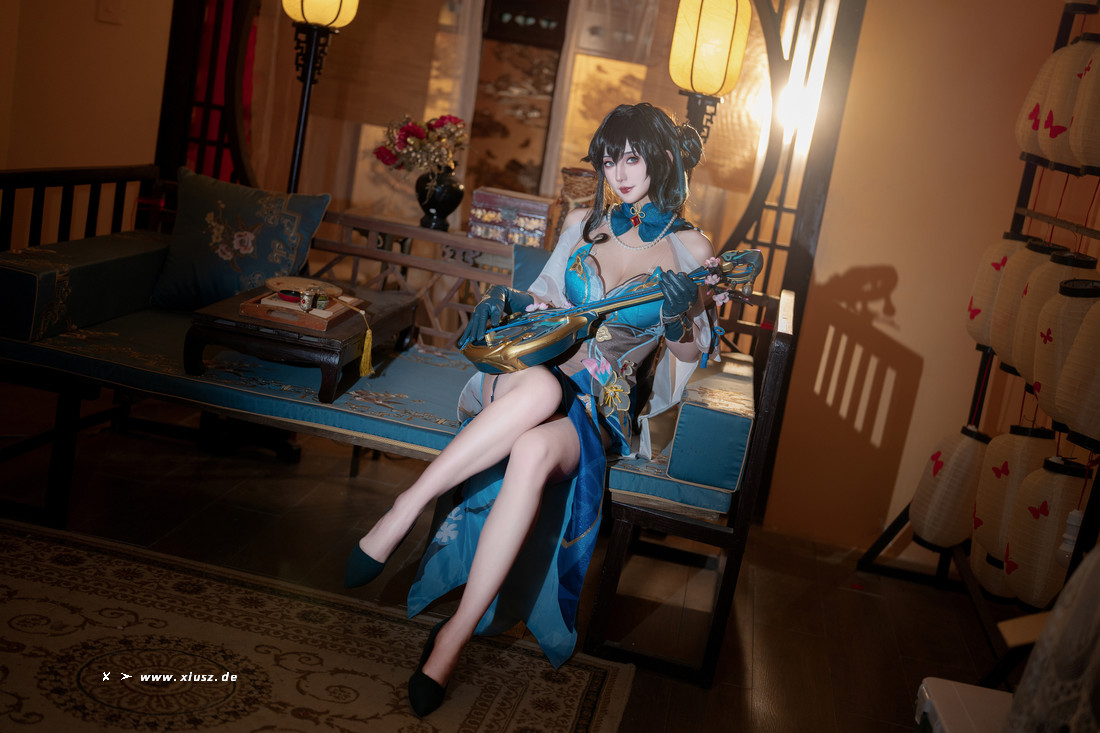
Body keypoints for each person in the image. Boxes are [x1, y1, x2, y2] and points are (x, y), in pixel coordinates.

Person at [344, 102, 717, 717]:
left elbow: (688, 354)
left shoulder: (691, 247)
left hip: (599, 406)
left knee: (534, 449)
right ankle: (404, 508)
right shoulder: (584, 223)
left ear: (659, 158)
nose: (619, 173)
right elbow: (543, 303)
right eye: (609, 159)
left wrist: (679, 315)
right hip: (528, 376)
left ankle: (456, 633)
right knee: (541, 391)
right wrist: (507, 302)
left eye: (632, 158)